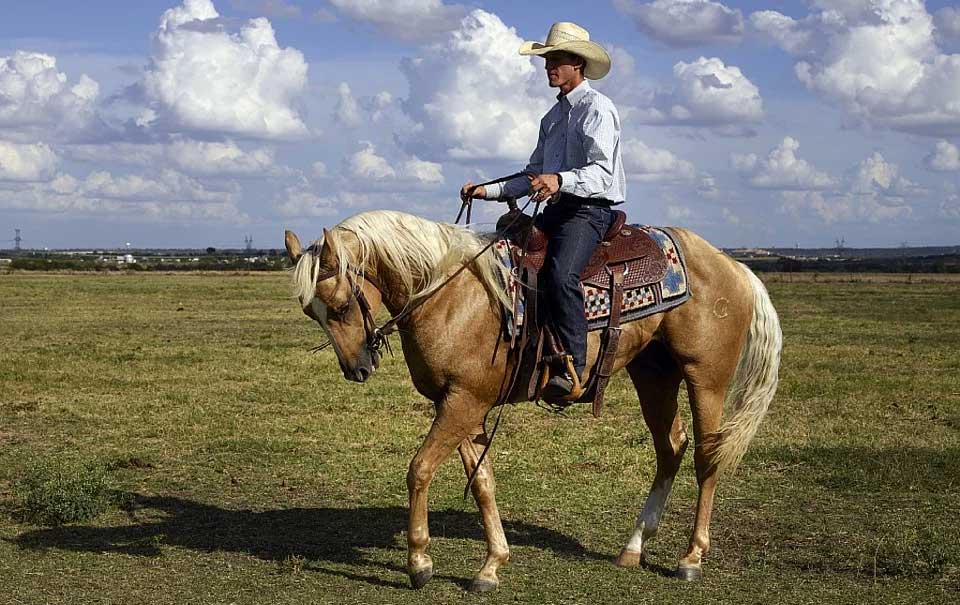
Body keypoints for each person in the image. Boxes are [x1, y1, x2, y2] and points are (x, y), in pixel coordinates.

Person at [460, 21, 626, 400]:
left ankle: (573, 367)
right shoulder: (551, 119)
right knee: (504, 258)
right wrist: (486, 190)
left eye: (557, 59)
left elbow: (602, 173)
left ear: (578, 64)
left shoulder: (598, 109)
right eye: (547, 59)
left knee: (560, 275)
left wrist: (560, 180)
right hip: (557, 207)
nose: (549, 66)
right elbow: (532, 174)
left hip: (589, 211)